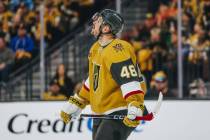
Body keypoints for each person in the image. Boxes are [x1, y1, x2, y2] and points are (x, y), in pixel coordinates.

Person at [60, 9, 146, 140]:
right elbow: (95, 80)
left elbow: (128, 78)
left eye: (99, 20)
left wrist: (135, 104)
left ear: (105, 28)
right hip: (101, 112)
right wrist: (79, 101)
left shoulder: (118, 48)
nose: (94, 22)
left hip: (120, 109)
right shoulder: (95, 48)